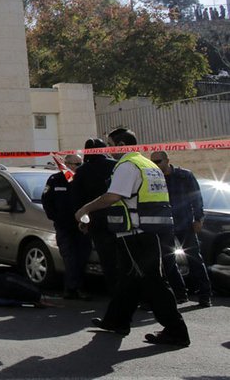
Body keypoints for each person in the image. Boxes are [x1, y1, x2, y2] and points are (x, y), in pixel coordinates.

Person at [74, 128, 190, 347]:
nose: (108, 150)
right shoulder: (148, 164)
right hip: (150, 230)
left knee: (152, 281)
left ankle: (176, 331)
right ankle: (116, 321)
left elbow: (112, 196)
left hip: (136, 232)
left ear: (121, 144)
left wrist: (85, 209)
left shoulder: (127, 166)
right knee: (128, 279)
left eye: (110, 144)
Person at [150, 150, 211, 307]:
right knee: (168, 261)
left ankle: (205, 296)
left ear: (167, 160)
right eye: (153, 162)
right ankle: (180, 294)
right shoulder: (154, 178)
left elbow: (196, 197)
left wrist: (198, 218)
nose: (155, 165)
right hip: (165, 224)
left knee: (194, 258)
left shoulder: (184, 175)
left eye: (158, 161)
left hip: (184, 222)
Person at [71, 137, 120, 297]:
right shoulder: (115, 166)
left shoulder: (82, 171)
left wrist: (83, 221)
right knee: (124, 256)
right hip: (121, 218)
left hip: (96, 220)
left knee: (107, 259)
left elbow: (77, 199)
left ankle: (115, 292)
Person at [42, 153, 92, 300]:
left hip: (82, 225)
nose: (79, 167)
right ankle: (71, 289)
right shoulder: (55, 180)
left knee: (82, 257)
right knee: (69, 257)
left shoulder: (83, 180)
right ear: (67, 164)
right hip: (64, 226)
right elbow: (46, 201)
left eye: (80, 164)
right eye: (76, 164)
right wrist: (56, 217)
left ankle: (77, 287)